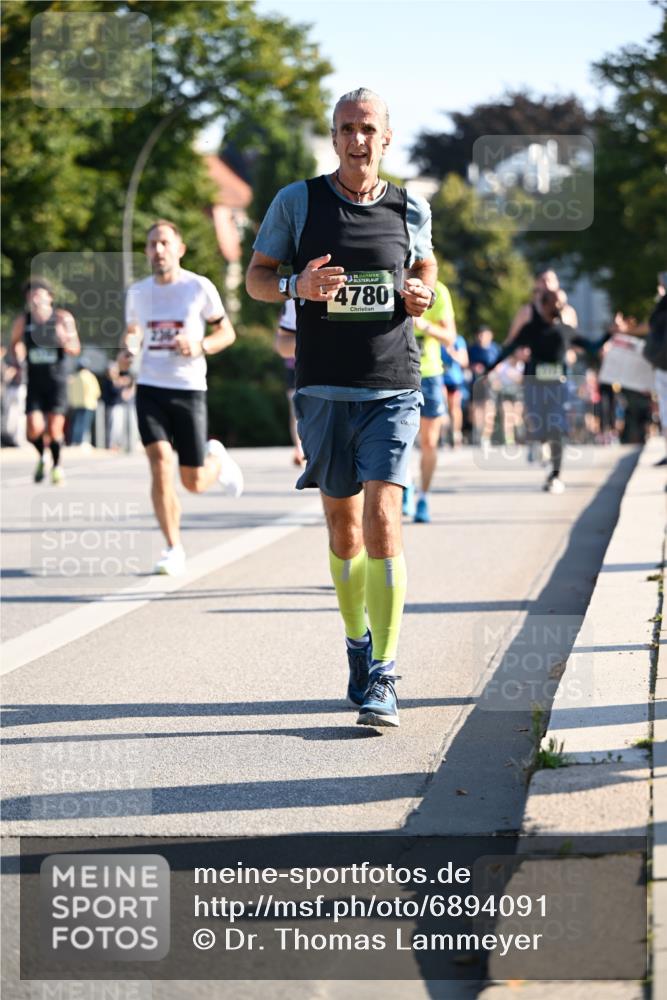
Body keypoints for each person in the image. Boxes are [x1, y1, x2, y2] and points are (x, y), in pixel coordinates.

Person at [246, 87, 437, 728]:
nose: (357, 139)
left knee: (384, 516)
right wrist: (295, 286)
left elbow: (427, 269)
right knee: (344, 530)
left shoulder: (412, 207)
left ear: (387, 139)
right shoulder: (297, 202)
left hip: (392, 383)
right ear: (334, 138)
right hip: (324, 388)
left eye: (368, 129)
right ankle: (357, 643)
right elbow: (255, 277)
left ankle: (384, 670)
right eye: (346, 128)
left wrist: (420, 294)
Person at [122, 219, 243, 576]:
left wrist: (201, 344)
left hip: (188, 389)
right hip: (150, 388)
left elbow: (227, 332)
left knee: (193, 482)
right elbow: (133, 330)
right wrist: (128, 349)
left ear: (179, 249)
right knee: (159, 461)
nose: (157, 250)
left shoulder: (198, 287)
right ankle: (173, 547)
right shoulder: (138, 293)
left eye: (164, 243)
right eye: (151, 244)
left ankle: (216, 460)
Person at [485, 289, 608, 492]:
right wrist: (489, 369)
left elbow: (592, 346)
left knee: (556, 428)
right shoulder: (531, 328)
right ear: (543, 306)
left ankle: (555, 476)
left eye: (560, 303)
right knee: (539, 428)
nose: (557, 307)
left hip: (558, 386)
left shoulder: (566, 330)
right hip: (534, 385)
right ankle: (540, 447)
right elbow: (508, 349)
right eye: (553, 302)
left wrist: (610, 333)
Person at [9, 277, 80, 484]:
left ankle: (57, 466)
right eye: (31, 295)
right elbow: (14, 343)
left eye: (39, 294)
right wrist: (17, 359)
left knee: (55, 429)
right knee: (33, 428)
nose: (35, 298)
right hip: (35, 381)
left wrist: (64, 339)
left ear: (50, 298)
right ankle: (42, 456)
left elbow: (76, 348)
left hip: (57, 381)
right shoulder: (24, 321)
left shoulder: (62, 319)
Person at [403, 278, 456, 523]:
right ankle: (405, 486)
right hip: (398, 373)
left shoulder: (439, 291)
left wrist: (423, 325)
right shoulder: (391, 283)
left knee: (429, 443)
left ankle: (423, 497)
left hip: (430, 374)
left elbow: (449, 337)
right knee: (398, 440)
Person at [506, 270, 578, 345]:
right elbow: (511, 340)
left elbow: (574, 342)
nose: (547, 284)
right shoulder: (527, 311)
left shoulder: (568, 312)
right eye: (543, 281)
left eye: (550, 280)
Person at [274, 297, 305, 466]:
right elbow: (279, 342)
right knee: (296, 410)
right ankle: (299, 449)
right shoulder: (291, 305)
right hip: (293, 367)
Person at [468, 327, 501, 446]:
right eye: (480, 335)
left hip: (490, 383)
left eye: (485, 335)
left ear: (490, 336)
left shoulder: (495, 349)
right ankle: (478, 432)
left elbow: (501, 365)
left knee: (489, 410)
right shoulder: (472, 349)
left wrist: (494, 374)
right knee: (476, 410)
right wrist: (474, 367)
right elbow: (467, 363)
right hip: (476, 383)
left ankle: (486, 437)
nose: (482, 338)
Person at [441, 332, 469, 447]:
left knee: (454, 408)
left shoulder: (458, 339)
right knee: (442, 406)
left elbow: (464, 362)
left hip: (454, 379)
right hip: (439, 378)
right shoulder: (435, 337)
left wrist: (452, 353)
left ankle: (456, 434)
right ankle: (442, 436)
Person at [68, 362, 101, 445]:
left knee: (77, 423)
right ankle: (82, 442)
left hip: (76, 404)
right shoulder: (89, 376)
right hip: (88, 404)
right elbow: (96, 391)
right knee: (85, 424)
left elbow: (70, 391)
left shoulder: (74, 377)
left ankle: (75, 441)